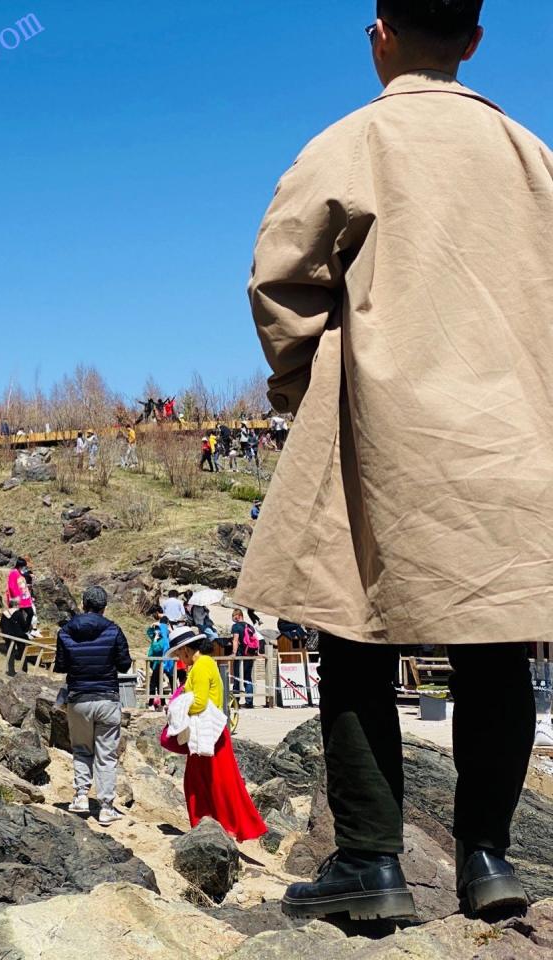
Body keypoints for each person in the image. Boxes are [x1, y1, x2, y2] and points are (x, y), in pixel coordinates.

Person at [238, 0, 549, 921]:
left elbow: (280, 282)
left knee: (354, 630)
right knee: (496, 641)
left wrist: (302, 387)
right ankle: (487, 860)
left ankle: (371, 864)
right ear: (475, 40)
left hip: (381, 425)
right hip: (512, 434)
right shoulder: (532, 157)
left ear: (380, 32)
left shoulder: (352, 142)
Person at [165, 627, 267, 842]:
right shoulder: (204, 664)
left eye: (178, 653)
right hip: (212, 733)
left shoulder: (201, 666)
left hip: (209, 734)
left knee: (208, 783)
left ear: (185, 649)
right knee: (217, 782)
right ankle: (224, 826)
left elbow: (199, 702)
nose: (178, 658)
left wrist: (177, 709)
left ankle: (218, 826)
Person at [54, 586, 132, 826]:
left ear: (83, 604)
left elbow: (61, 666)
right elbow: (124, 665)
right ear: (104, 607)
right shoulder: (114, 630)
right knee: (106, 755)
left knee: (81, 749)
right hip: (107, 698)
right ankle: (106, 807)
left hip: (78, 698)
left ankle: (80, 796)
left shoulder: (66, 631)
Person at [4, 557, 36, 677]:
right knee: (15, 650)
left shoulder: (20, 573)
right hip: (19, 600)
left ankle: (21, 671)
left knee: (30, 613)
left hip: (24, 599)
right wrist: (17, 599)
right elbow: (12, 587)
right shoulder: (13, 573)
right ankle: (16, 671)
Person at [229, 609, 260, 709]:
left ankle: (235, 702)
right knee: (248, 678)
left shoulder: (236, 626)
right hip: (249, 654)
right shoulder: (249, 626)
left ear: (238, 616)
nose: (233, 618)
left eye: (233, 616)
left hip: (240, 655)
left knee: (237, 678)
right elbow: (255, 639)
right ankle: (249, 702)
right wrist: (257, 652)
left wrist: (234, 653)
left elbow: (235, 640)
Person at [146, 611, 173, 708]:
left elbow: (156, 648)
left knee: (154, 682)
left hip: (159, 662)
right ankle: (162, 702)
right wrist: (151, 627)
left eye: (158, 630)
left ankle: (151, 702)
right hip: (156, 662)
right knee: (158, 682)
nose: (156, 631)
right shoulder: (161, 636)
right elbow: (149, 633)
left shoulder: (162, 640)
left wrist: (155, 640)